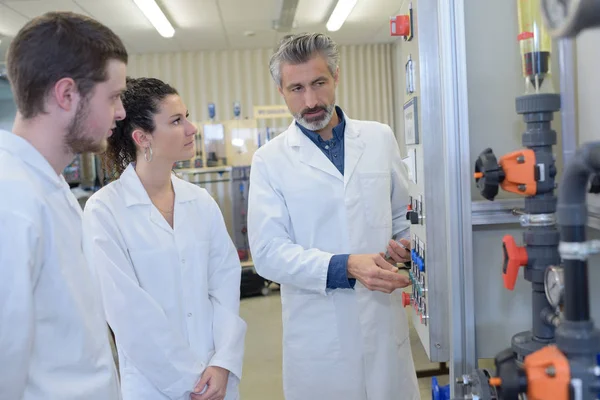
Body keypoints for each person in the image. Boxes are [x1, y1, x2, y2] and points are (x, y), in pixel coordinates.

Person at [248, 33, 420, 400]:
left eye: (319, 83)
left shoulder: (378, 138)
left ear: (336, 76)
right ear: (281, 89)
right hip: (319, 336)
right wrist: (346, 266)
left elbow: (403, 218)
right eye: (296, 88)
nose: (310, 101)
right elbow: (268, 253)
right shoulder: (270, 160)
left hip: (383, 323)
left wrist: (406, 245)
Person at [82, 77, 246, 400]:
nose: (192, 128)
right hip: (154, 386)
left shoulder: (201, 202)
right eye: (176, 121)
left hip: (217, 380)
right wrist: (190, 381)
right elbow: (127, 314)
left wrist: (223, 363)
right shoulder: (104, 211)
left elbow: (226, 286)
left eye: (186, 116)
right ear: (143, 138)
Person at [0, 12, 127, 400]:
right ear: (67, 94)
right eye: (113, 96)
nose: (120, 112)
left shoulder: (47, 186)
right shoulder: (11, 202)